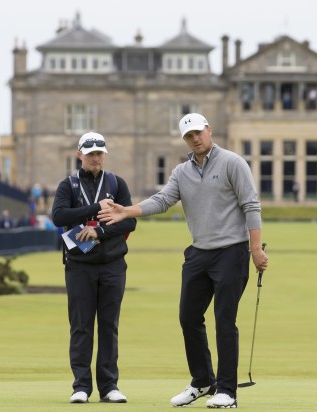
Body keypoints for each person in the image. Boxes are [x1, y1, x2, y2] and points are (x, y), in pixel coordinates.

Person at [98, 113, 268, 409]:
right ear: (184, 140)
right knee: (188, 317)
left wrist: (255, 249)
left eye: (199, 133)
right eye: (189, 136)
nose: (195, 139)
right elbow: (162, 200)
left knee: (224, 320)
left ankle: (227, 391)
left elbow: (251, 205)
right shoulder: (181, 172)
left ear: (209, 131)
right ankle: (202, 381)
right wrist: (127, 211)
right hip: (199, 252)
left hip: (232, 251)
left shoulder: (232, 162)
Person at [51, 131, 137, 404]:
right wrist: (94, 207)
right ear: (80, 155)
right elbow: (59, 216)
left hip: (112, 264)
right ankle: (81, 386)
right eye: (90, 154)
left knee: (109, 325)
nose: (95, 158)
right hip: (79, 266)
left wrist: (99, 230)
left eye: (99, 153)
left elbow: (128, 221)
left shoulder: (117, 183)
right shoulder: (69, 185)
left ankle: (109, 386)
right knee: (81, 326)